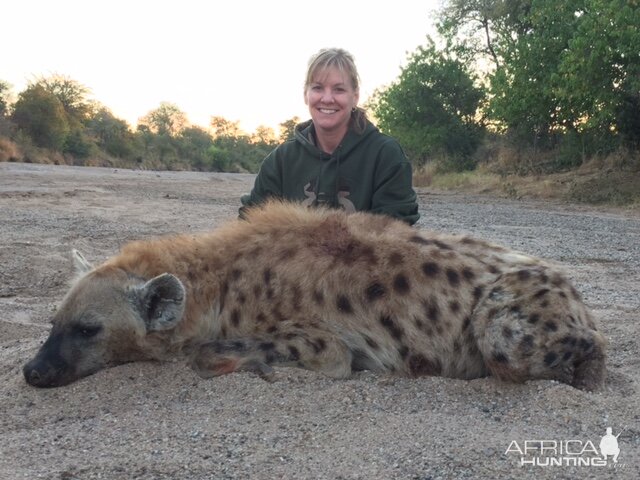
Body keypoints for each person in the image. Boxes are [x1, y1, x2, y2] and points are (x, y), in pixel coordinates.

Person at [239, 47, 420, 225]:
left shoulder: (386, 155)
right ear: (305, 95)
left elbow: (396, 232)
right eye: (317, 88)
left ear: (355, 96)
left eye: (339, 89)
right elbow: (249, 224)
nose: (327, 99)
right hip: (295, 256)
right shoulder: (280, 160)